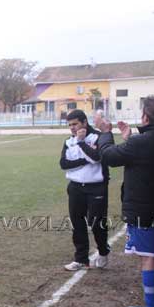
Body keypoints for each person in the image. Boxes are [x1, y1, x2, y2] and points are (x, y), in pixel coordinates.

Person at [98, 97, 154, 307]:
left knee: (149, 257)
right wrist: (130, 139)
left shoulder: (140, 143)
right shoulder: (139, 142)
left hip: (145, 211)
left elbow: (108, 156)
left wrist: (106, 133)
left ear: (146, 118)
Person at [59, 109, 111, 271]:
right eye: (69, 125)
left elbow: (97, 157)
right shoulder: (69, 141)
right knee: (77, 224)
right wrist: (84, 160)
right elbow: (64, 164)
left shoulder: (98, 137)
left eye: (75, 124)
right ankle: (81, 259)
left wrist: (81, 143)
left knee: (96, 223)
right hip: (75, 187)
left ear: (84, 122)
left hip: (96, 187)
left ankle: (103, 250)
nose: (72, 128)